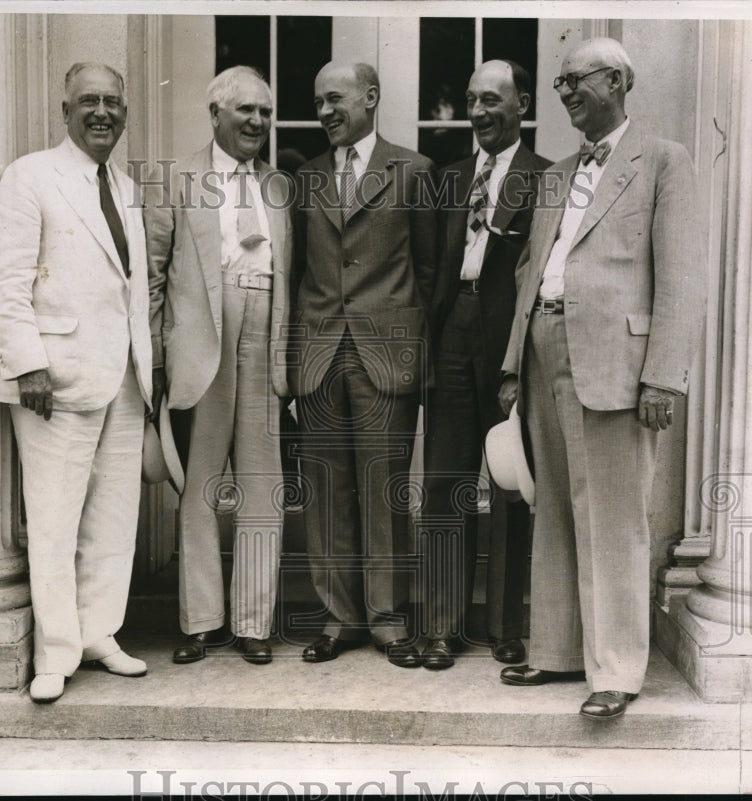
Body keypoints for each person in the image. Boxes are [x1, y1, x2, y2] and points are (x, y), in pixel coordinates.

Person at [497, 38, 704, 719]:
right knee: (553, 506)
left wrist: (662, 377)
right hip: (544, 350)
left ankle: (615, 669)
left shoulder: (664, 161)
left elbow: (680, 279)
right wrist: (510, 366)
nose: (563, 95)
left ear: (616, 80)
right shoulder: (556, 175)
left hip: (618, 363)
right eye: (559, 85)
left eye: (574, 81)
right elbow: (532, 274)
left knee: (614, 519)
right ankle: (557, 651)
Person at [0, 62, 153, 703]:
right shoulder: (30, 176)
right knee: (54, 519)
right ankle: (55, 652)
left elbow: (130, 292)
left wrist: (148, 369)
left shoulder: (128, 187)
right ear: (65, 111)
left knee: (113, 518)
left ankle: (98, 635)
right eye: (89, 101)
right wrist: (28, 363)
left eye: (113, 101)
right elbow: (8, 280)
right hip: (52, 379)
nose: (102, 112)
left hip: (123, 377)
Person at [145, 66, 293, 666]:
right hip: (201, 339)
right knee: (200, 484)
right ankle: (202, 621)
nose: (258, 122)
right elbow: (153, 277)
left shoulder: (278, 186)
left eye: (264, 112)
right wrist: (156, 360)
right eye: (246, 112)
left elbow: (293, 275)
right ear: (215, 115)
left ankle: (255, 622)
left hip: (264, 330)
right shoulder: (176, 178)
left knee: (263, 485)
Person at [292, 62, 437, 668]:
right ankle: (338, 618)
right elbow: (300, 267)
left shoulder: (415, 171)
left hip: (385, 355)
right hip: (321, 352)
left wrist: (411, 351)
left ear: (371, 98)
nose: (325, 111)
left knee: (384, 490)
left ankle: (388, 620)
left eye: (336, 98)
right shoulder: (307, 177)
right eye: (319, 101)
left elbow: (428, 273)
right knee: (327, 492)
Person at [421, 60, 552, 671]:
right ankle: (443, 627)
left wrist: (520, 361)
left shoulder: (547, 178)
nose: (477, 112)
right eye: (471, 100)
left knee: (507, 481)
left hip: (508, 342)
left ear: (521, 104)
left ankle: (508, 627)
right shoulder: (450, 179)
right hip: (453, 334)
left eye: (491, 100)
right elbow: (430, 273)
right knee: (445, 481)